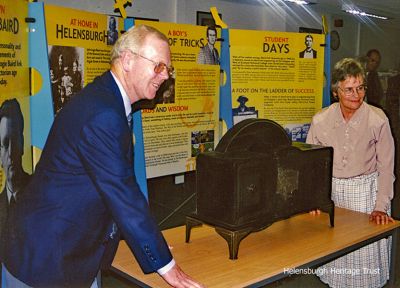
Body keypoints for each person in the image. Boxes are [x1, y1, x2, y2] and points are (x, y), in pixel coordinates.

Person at [2, 25, 203, 288]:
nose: (165, 76)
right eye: (158, 66)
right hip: (47, 259)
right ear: (128, 60)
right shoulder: (103, 114)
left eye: (168, 69)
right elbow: (123, 193)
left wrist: (150, 241)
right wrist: (167, 267)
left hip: (71, 250)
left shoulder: (106, 99)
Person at [307, 58, 394, 288]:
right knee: (336, 261)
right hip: (333, 195)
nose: (356, 94)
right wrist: (315, 199)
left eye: (360, 87)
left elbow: (386, 167)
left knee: (362, 264)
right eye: (349, 89)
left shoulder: (378, 119)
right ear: (336, 92)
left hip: (366, 196)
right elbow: (313, 166)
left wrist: (380, 206)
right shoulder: (320, 120)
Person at [0, 99, 31, 287]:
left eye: (14, 140)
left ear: (22, 140)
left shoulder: (40, 193)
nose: (10, 152)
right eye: (4, 143)